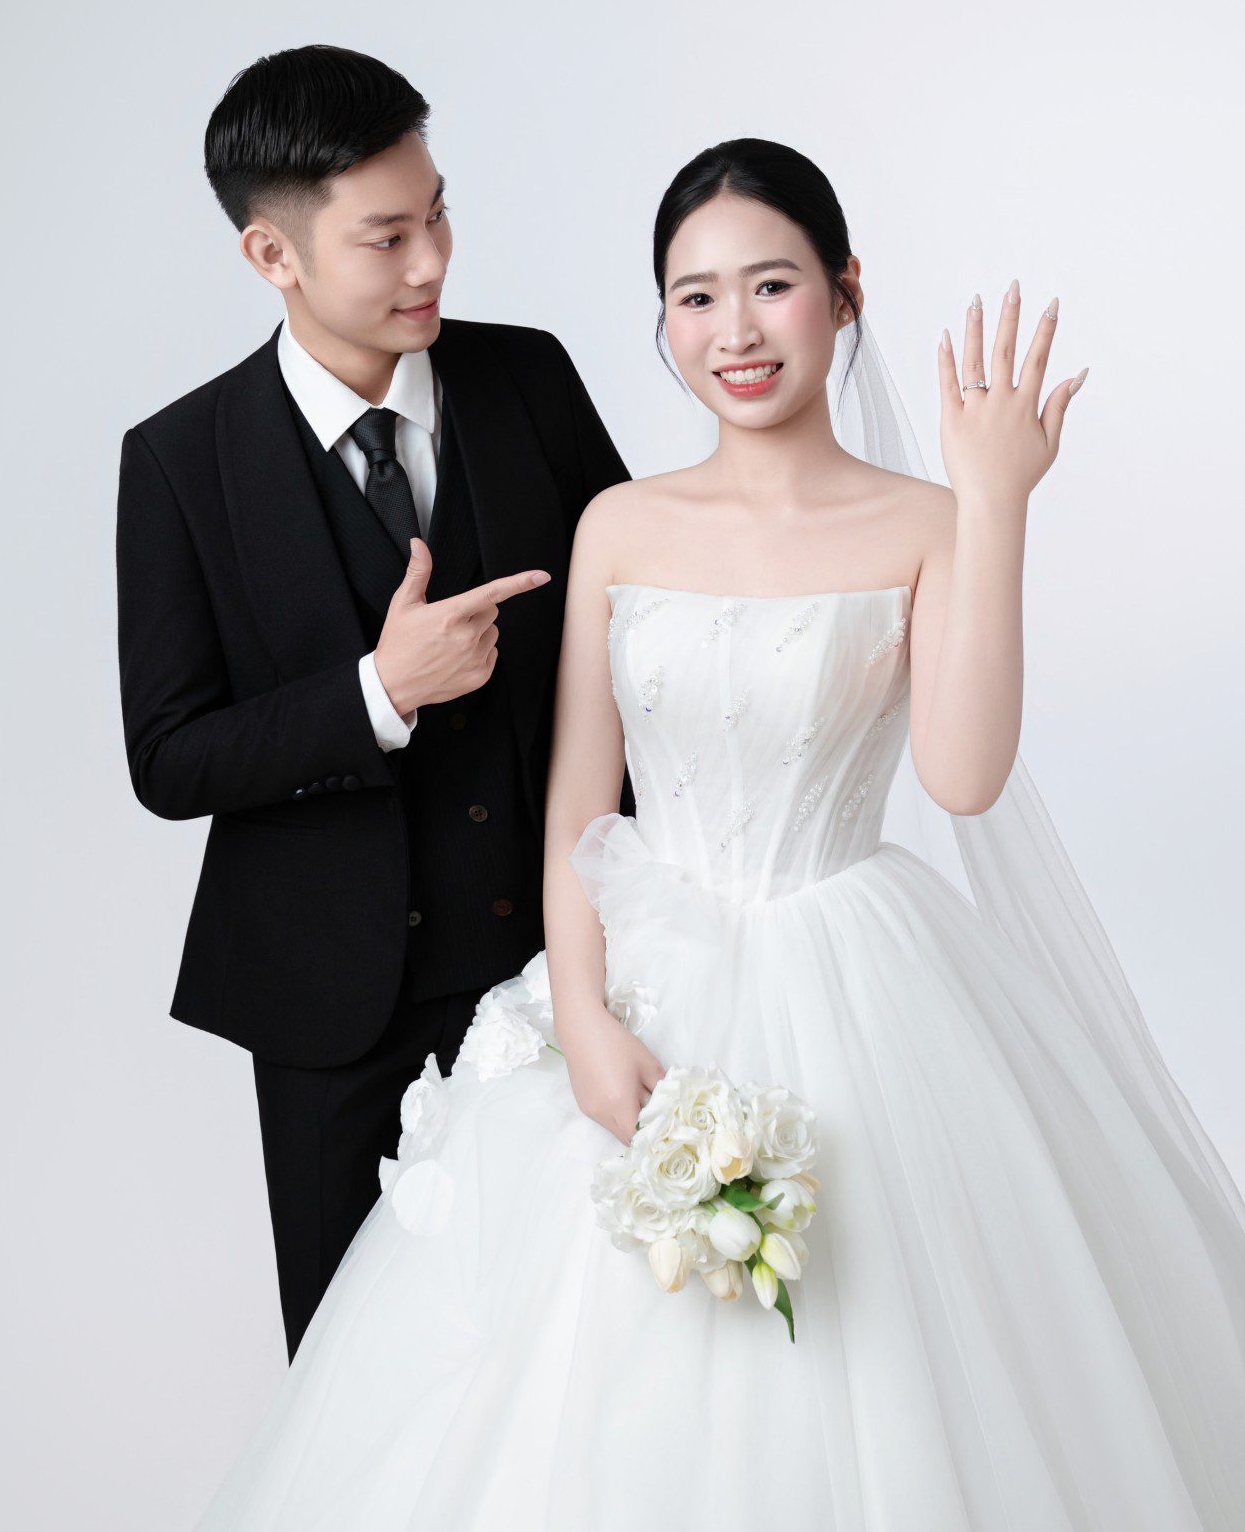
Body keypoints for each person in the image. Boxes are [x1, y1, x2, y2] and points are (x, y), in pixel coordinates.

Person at [190, 138, 1245, 1530]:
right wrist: (582, 1017)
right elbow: (580, 804)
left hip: (862, 978)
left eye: (771, 285)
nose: (734, 332)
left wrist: (994, 506)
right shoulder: (621, 525)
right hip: (644, 988)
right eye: (695, 298)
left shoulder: (928, 522)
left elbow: (964, 777)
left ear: (845, 291)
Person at [114, 44, 632, 1362]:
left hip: (558, 975)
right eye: (387, 237)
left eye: (438, 215)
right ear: (271, 255)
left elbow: (640, 635)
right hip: (329, 1013)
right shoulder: (180, 462)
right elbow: (168, 758)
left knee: (580, 1360)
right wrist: (374, 696)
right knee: (357, 1377)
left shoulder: (531, 380)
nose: (432, 263)